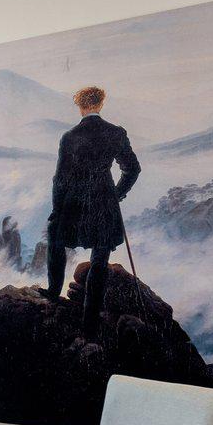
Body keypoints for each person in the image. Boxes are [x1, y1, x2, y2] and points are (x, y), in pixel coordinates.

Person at [44, 85, 140, 339]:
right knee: (99, 262)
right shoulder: (116, 133)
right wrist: (117, 193)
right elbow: (132, 169)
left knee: (55, 237)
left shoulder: (70, 137)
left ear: (80, 106)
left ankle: (53, 292)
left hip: (75, 204)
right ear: (100, 104)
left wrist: (56, 210)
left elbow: (61, 179)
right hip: (104, 204)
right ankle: (89, 325)